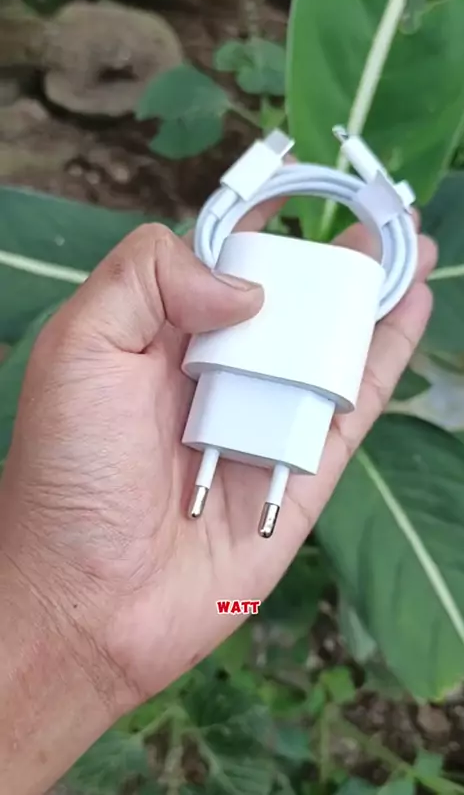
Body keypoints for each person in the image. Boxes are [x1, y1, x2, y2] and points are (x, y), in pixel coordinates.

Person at [0, 199, 437, 794]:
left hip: (216, 602)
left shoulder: (233, 602)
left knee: (246, 603)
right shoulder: (222, 599)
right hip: (203, 597)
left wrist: (78, 632)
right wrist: (71, 622)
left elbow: (238, 604)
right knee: (246, 599)